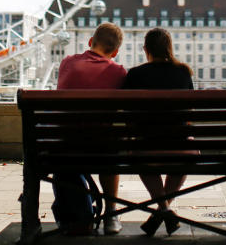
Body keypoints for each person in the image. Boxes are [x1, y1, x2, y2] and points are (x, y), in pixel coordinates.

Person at [56, 22, 127, 235]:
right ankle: (111, 214)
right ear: (115, 52)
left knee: (69, 149)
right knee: (110, 147)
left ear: (90, 42)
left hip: (65, 150)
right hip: (102, 151)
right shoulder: (118, 72)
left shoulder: (67, 63)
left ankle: (79, 214)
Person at [122, 27, 194, 236]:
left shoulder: (135, 74)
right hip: (180, 146)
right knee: (181, 161)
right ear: (169, 48)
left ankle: (163, 210)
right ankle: (165, 210)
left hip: (146, 145)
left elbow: (127, 114)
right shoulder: (183, 72)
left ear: (146, 49)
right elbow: (189, 111)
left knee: (143, 158)